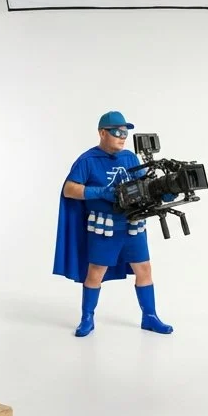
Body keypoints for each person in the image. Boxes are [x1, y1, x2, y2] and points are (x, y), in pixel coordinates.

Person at [53, 111, 173, 338]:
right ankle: (87, 318)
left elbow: (145, 184)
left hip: (132, 224)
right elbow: (69, 189)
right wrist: (101, 192)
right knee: (95, 273)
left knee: (144, 269)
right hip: (104, 227)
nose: (122, 137)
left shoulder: (130, 158)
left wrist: (162, 192)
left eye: (125, 133)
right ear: (102, 133)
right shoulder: (87, 160)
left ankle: (150, 316)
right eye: (117, 132)